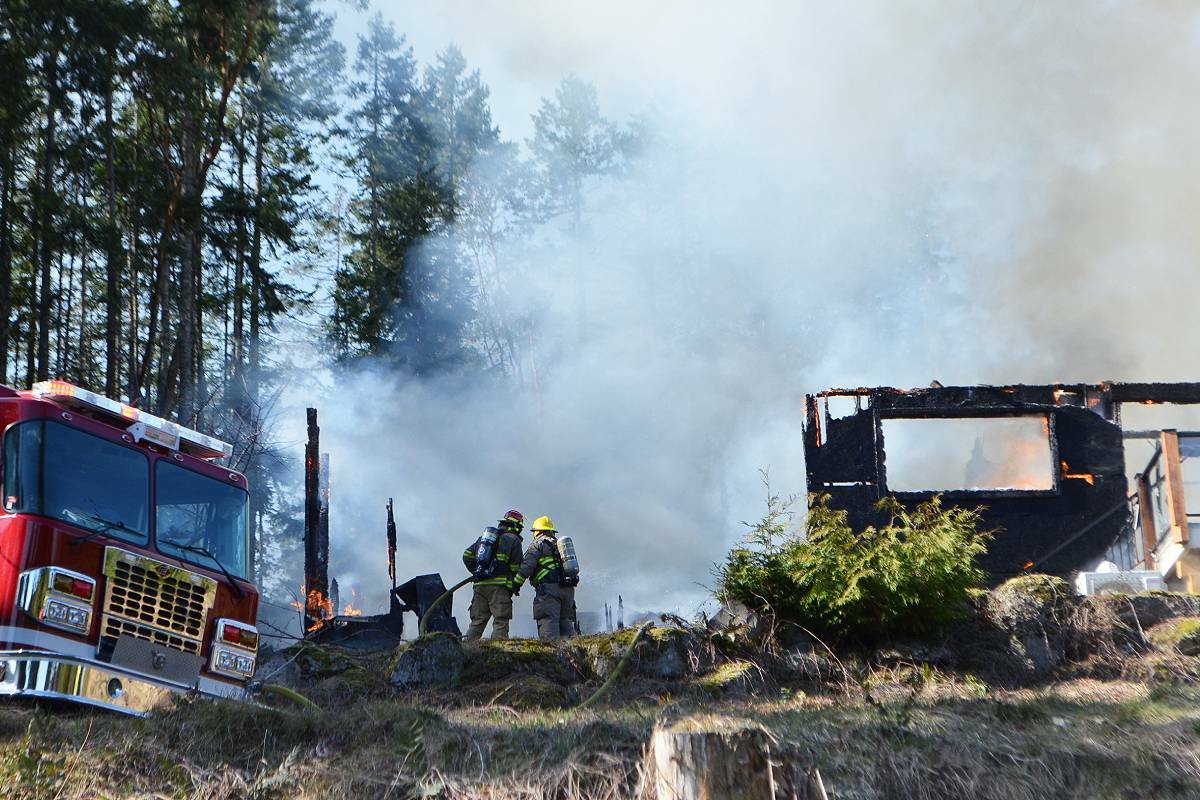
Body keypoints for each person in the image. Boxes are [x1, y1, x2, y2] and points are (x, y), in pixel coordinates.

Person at [462, 509, 525, 641]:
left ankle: (467, 648)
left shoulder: (483, 539)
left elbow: (466, 555)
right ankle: (499, 651)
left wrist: (477, 571)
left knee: (477, 621)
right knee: (500, 620)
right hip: (500, 587)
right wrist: (514, 584)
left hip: (480, 585)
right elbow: (516, 567)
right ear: (515, 526)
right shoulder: (514, 540)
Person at [516, 515, 578, 639]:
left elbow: (527, 566)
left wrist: (516, 583)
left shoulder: (537, 544)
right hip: (568, 590)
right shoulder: (560, 545)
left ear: (537, 531)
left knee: (548, 623)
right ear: (551, 531)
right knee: (566, 623)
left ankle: (553, 655)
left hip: (549, 590)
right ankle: (572, 653)